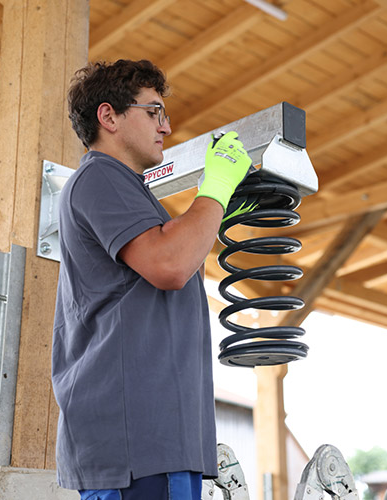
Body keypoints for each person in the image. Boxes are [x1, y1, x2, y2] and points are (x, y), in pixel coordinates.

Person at [51, 59, 252, 500]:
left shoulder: (126, 191)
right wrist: (213, 189)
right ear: (109, 117)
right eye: (153, 111)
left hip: (151, 444)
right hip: (140, 444)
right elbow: (169, 264)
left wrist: (212, 213)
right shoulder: (100, 175)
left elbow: (169, 251)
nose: (167, 125)